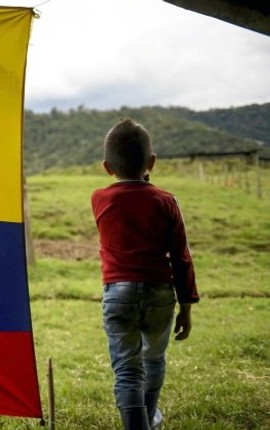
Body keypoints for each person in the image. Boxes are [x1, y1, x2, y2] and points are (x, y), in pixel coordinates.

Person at [91, 119, 199, 430]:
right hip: (160, 294)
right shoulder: (166, 201)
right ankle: (149, 417)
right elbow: (181, 258)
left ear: (107, 167)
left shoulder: (100, 198)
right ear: (151, 162)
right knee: (153, 361)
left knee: (127, 368)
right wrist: (187, 307)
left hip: (118, 293)